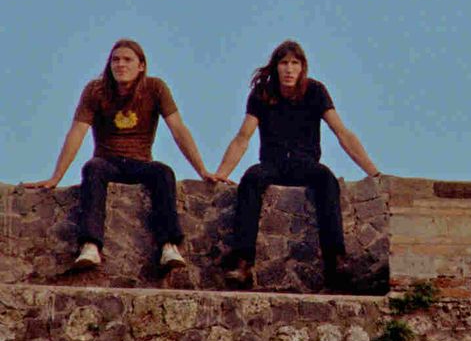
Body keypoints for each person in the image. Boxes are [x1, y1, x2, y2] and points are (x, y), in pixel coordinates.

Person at [23, 39, 216, 269]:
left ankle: (169, 247)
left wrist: (202, 170)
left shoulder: (155, 88)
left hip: (140, 162)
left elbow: (178, 130)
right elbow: (77, 133)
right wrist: (56, 177)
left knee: (163, 172)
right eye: (115, 60)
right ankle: (91, 247)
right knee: (92, 168)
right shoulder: (96, 90)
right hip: (108, 162)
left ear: (141, 65)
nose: (120, 65)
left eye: (127, 60)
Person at [214, 40, 380, 288]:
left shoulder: (315, 91)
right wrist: (221, 173)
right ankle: (243, 264)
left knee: (327, 179)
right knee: (250, 179)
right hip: (272, 163)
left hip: (305, 164)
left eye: (295, 63)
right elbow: (243, 137)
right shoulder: (263, 93)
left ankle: (336, 260)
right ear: (275, 67)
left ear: (303, 67)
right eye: (284, 63)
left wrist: (373, 173)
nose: (289, 69)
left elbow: (341, 132)